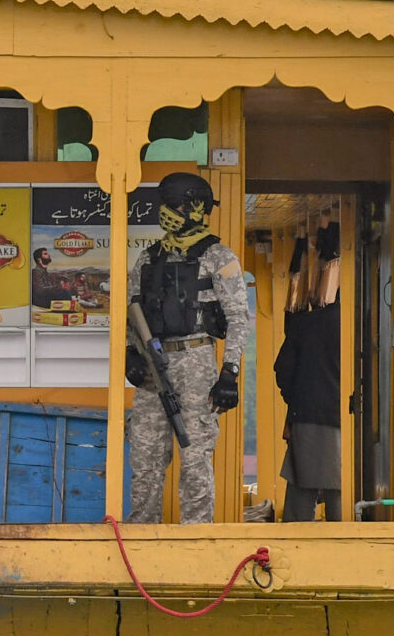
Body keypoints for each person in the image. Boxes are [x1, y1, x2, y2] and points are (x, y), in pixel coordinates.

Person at [124, 171, 254, 524]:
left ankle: (196, 540)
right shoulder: (148, 259)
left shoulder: (218, 256)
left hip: (197, 362)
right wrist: (130, 354)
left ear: (195, 207)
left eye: (175, 205)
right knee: (145, 459)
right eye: (164, 205)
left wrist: (230, 372)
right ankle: (140, 544)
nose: (167, 212)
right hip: (155, 366)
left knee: (195, 460)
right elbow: (130, 311)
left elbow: (238, 317)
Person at [273, 221, 342, 521]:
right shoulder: (363, 325)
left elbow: (283, 369)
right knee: (342, 492)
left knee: (301, 490)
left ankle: (292, 541)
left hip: (307, 415)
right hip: (351, 420)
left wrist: (297, 401)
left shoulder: (307, 324)